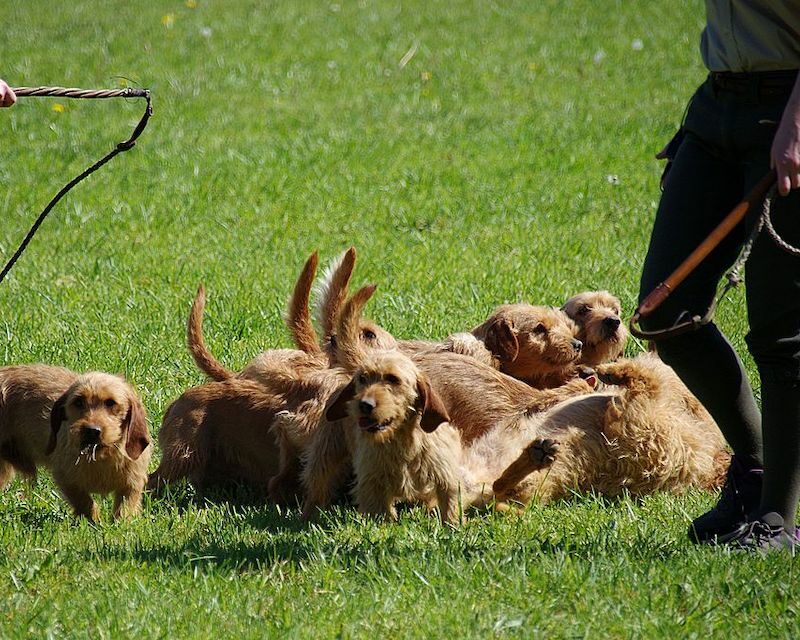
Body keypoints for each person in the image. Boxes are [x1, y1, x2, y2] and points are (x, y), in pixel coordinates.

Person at [638, 2, 800, 551]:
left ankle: (779, 518)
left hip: (790, 108)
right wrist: (701, 122)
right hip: (717, 108)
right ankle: (754, 474)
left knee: (782, 338)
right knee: (664, 314)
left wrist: (797, 125)